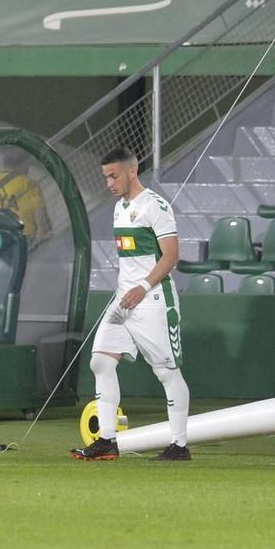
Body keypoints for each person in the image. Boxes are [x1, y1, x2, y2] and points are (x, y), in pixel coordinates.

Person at [71, 148, 192, 462]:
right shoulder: (119, 208)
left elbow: (171, 256)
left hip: (152, 301)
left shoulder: (155, 206)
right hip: (124, 302)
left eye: (113, 176)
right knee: (100, 361)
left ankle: (180, 445)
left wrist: (142, 286)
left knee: (167, 372)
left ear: (131, 172)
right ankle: (107, 441)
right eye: (106, 177)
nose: (109, 183)